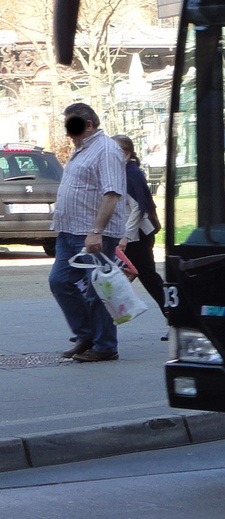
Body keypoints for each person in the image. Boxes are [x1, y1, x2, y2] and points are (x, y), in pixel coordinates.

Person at [48, 103, 130, 362]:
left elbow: (112, 193)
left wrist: (96, 231)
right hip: (69, 231)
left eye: (72, 126)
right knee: (60, 282)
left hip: (93, 234)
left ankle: (105, 346)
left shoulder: (106, 150)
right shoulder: (81, 150)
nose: (68, 133)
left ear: (90, 124)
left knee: (98, 289)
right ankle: (87, 335)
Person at [114, 135, 167, 318]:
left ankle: (177, 318)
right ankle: (98, 329)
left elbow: (138, 208)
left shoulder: (131, 173)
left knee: (149, 279)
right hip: (127, 236)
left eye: (115, 151)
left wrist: (125, 237)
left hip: (136, 237)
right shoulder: (122, 172)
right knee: (111, 280)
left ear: (126, 153)